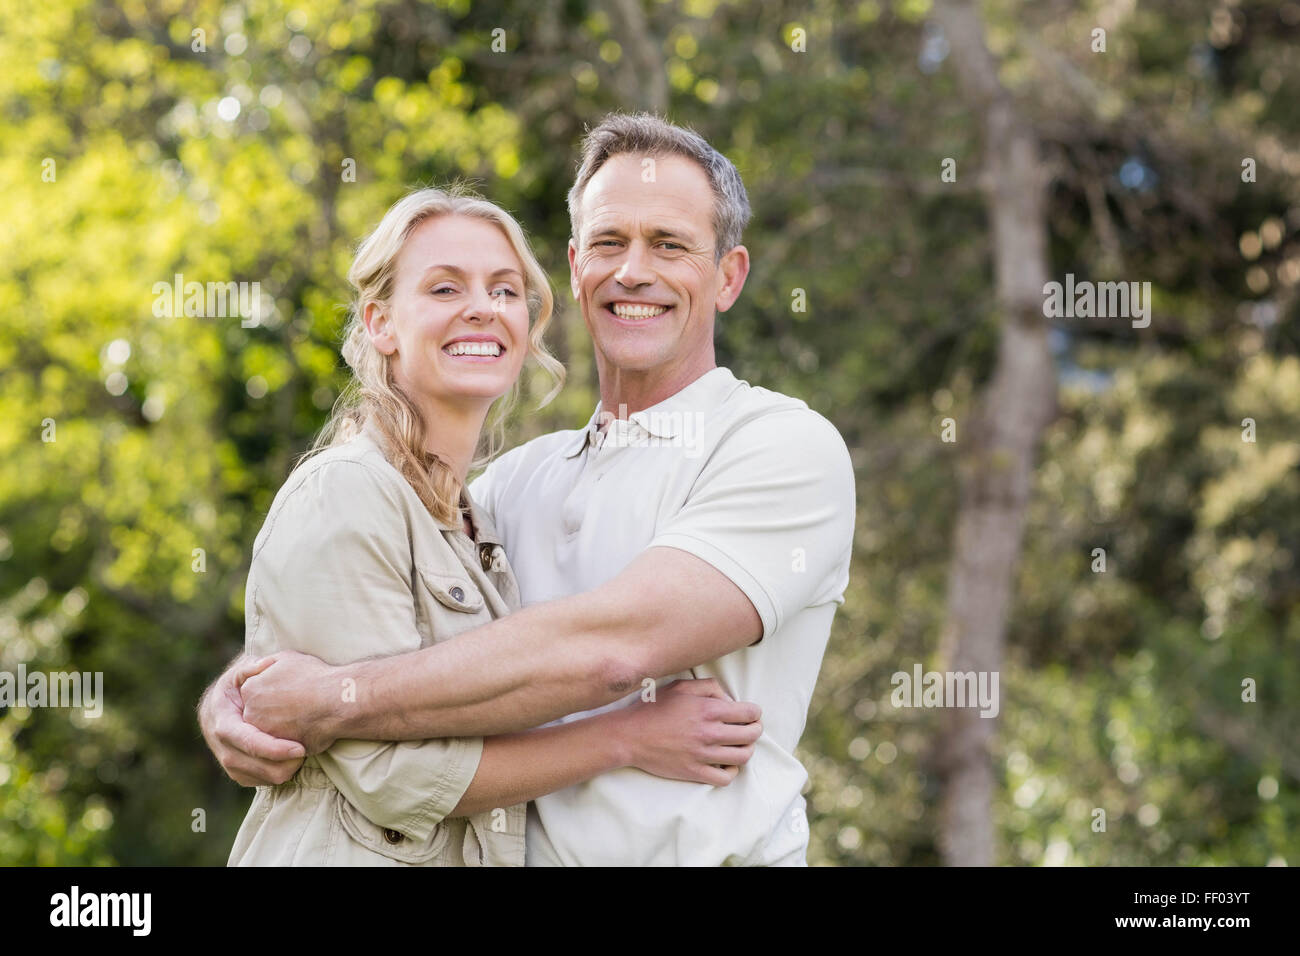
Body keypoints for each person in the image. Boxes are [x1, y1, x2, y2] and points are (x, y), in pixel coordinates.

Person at [201, 113, 856, 866]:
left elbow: (615, 651)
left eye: (669, 245)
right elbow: (366, 605)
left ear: (729, 276)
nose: (633, 270)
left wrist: (328, 702)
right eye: (610, 243)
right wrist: (243, 694)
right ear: (577, 269)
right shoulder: (508, 486)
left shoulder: (777, 445)